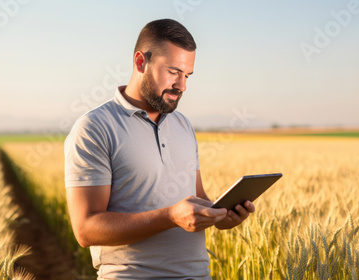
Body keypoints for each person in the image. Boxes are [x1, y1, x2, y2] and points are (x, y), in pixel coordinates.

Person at [64, 18, 255, 279]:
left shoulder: (183, 125)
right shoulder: (94, 128)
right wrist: (170, 217)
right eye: (174, 72)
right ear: (141, 62)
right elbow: (85, 229)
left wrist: (222, 216)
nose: (182, 86)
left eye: (187, 75)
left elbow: (198, 197)